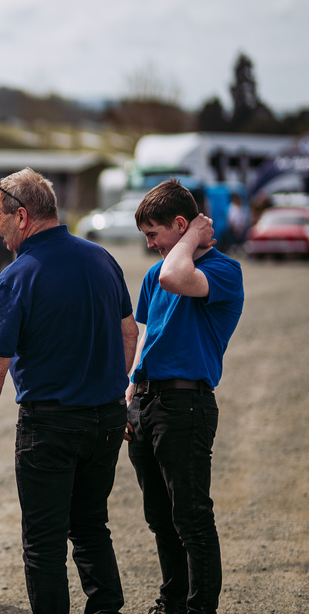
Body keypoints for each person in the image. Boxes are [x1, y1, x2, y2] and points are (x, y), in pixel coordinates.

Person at [0, 168, 139, 614]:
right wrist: (111, 394)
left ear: (21, 216)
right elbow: (129, 335)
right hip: (105, 419)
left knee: (43, 544)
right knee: (91, 525)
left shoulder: (17, 277)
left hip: (51, 425)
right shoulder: (102, 259)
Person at [126, 179, 244, 614]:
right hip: (146, 403)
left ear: (180, 224)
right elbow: (144, 337)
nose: (152, 244)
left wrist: (194, 235)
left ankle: (198, 610)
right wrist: (130, 395)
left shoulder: (223, 272)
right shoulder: (154, 276)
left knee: (191, 518)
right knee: (159, 519)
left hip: (185, 404)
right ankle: (171, 603)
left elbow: (178, 275)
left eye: (155, 234)